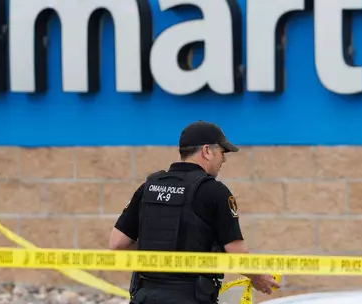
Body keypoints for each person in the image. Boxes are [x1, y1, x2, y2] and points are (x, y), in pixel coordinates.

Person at [109, 120, 281, 304]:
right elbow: (236, 253)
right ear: (207, 151)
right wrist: (257, 276)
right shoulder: (215, 191)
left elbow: (117, 243)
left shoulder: (148, 187)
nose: (224, 159)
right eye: (222, 152)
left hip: (145, 297)